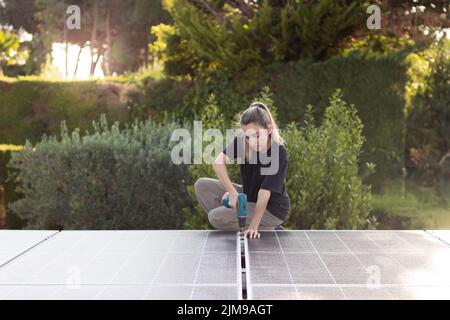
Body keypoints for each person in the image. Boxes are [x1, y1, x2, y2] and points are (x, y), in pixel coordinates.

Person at [194, 101, 291, 238]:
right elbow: (218, 162)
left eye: (257, 135)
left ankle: (267, 227)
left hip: (271, 209)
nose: (252, 141)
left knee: (215, 217)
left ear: (269, 130)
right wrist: (232, 192)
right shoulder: (242, 143)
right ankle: (238, 220)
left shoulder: (278, 152)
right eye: (247, 137)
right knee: (202, 186)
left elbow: (264, 193)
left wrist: (253, 226)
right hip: (248, 196)